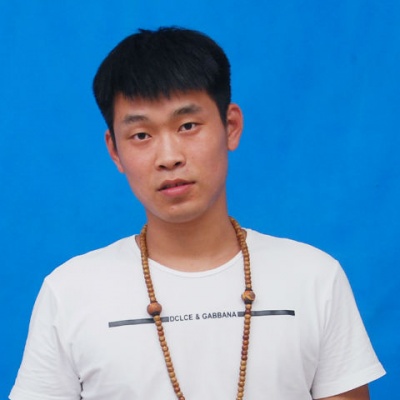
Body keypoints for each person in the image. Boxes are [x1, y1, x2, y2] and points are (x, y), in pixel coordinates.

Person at [10, 27, 385, 400]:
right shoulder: (70, 292)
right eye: (141, 135)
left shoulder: (314, 277)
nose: (169, 156)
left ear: (230, 127)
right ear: (114, 151)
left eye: (187, 126)